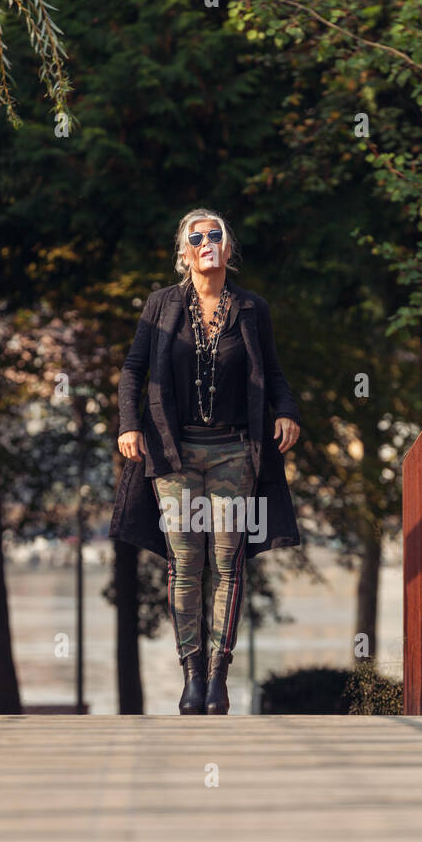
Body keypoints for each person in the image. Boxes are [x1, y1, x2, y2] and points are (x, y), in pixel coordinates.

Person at [109, 208, 301, 714]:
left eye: (215, 235)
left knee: (227, 564)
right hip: (174, 455)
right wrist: (130, 424)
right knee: (185, 563)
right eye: (197, 237)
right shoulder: (160, 306)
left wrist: (286, 412)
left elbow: (274, 373)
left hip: (235, 453)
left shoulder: (252, 310)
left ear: (228, 249)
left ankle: (218, 676)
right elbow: (133, 369)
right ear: (185, 252)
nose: (207, 242)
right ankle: (191, 674)